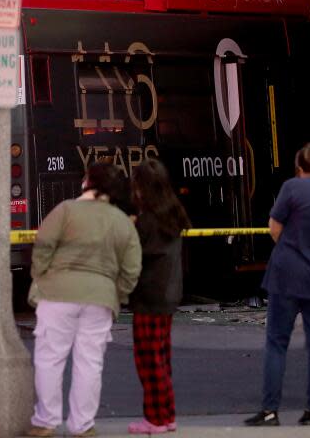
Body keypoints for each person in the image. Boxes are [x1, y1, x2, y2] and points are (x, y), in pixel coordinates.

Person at [27, 162, 142, 438]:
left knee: (50, 359)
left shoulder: (65, 210)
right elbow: (131, 267)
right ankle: (82, 425)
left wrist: (41, 277)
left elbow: (43, 247)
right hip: (100, 297)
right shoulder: (121, 222)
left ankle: (46, 421)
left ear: (87, 182)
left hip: (57, 294)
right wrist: (118, 294)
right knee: (90, 362)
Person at [245, 144, 310, 427]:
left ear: (301, 168)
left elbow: (274, 226)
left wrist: (293, 249)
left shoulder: (293, 187)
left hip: (287, 275)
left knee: (277, 342)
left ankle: (270, 411)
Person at [126, 159, 190, 435]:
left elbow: (134, 257)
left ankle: (155, 418)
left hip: (149, 297)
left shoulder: (147, 221)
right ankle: (167, 414)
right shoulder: (172, 214)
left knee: (148, 360)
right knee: (162, 358)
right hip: (168, 294)